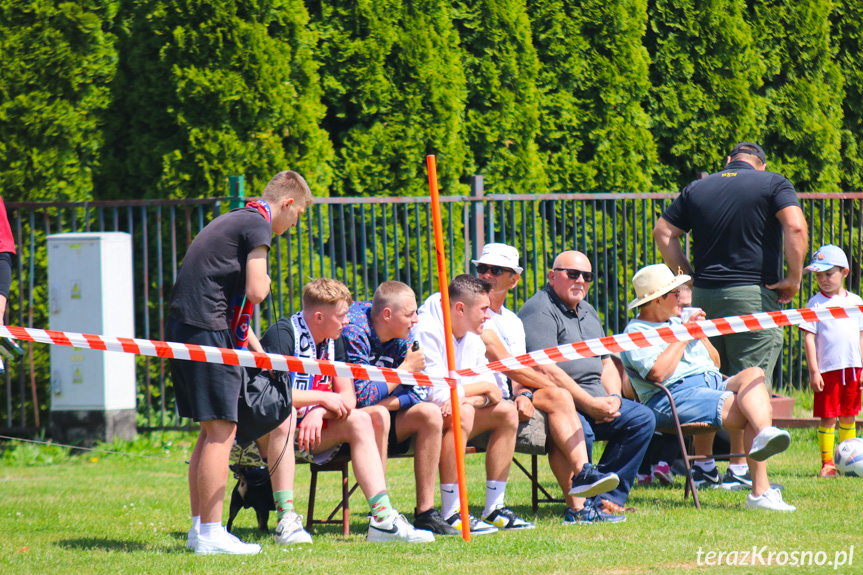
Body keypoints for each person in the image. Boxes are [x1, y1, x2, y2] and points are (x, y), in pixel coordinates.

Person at [167, 170, 311, 555]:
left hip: (185, 325)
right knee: (222, 431)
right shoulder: (257, 225)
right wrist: (265, 275)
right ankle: (213, 533)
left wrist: (255, 348)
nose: (293, 225)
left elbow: (223, 291)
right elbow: (255, 290)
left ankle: (201, 530)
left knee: (209, 430)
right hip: (205, 328)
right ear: (286, 204)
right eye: (296, 216)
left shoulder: (234, 217)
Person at [653, 141, 808, 491]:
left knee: (708, 379)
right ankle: (739, 471)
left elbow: (663, 232)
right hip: (752, 296)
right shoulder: (772, 183)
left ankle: (704, 467)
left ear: (728, 160)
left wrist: (687, 278)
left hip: (704, 297)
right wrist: (794, 280)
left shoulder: (698, 188)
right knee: (750, 383)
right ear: (760, 164)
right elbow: (795, 227)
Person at [248, 278, 434, 544]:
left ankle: (382, 520)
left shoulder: (337, 341)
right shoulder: (283, 335)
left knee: (360, 420)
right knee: (286, 414)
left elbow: (348, 398)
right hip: (264, 434)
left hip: (313, 429)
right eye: (342, 316)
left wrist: (319, 411)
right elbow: (273, 397)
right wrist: (324, 398)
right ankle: (286, 520)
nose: (348, 322)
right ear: (319, 316)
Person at [621, 264, 795, 511]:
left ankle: (763, 436)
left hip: (711, 383)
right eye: (674, 293)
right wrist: (683, 334)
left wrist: (699, 333)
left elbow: (715, 363)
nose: (680, 298)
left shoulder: (676, 322)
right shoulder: (636, 331)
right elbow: (657, 373)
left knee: (755, 374)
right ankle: (760, 490)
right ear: (657, 300)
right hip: (673, 396)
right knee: (752, 412)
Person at [472, 243, 621, 525]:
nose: (487, 275)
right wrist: (548, 389)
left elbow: (518, 372)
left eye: (497, 270)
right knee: (561, 401)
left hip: (507, 397)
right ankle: (582, 490)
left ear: (513, 280)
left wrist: (525, 392)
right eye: (482, 268)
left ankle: (583, 494)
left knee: (635, 418)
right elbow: (502, 358)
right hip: (473, 398)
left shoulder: (513, 322)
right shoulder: (469, 309)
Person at [518, 250, 655, 516]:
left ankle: (606, 499)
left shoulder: (589, 311)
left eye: (587, 276)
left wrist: (614, 396)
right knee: (585, 432)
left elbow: (606, 362)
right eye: (572, 274)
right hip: (563, 404)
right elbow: (545, 369)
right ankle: (584, 505)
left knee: (641, 418)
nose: (580, 280)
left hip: (596, 400)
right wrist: (589, 404)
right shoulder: (539, 309)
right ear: (552, 276)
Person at [414, 274, 534, 534]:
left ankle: (494, 508)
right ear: (459, 309)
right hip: (418, 416)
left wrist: (468, 395)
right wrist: (477, 392)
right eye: (483, 309)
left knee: (506, 412)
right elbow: (435, 395)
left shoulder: (473, 333)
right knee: (464, 413)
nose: (488, 317)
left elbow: (495, 392)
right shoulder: (426, 329)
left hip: (456, 408)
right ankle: (451, 511)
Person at [341, 281, 457, 535]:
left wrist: (384, 398)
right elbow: (360, 397)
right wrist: (403, 371)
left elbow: (419, 391)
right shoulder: (354, 331)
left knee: (429, 412)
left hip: (389, 417)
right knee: (378, 413)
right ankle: (381, 517)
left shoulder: (406, 335)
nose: (416, 320)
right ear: (387, 314)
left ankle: (425, 513)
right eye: (409, 314)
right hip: (350, 425)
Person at [799, 245, 863, 477]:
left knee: (849, 415)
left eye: (829, 274)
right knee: (828, 417)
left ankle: (851, 461)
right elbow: (809, 337)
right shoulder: (814, 304)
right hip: (827, 370)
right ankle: (828, 464)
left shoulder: (856, 301)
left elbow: (861, 335)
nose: (823, 280)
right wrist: (814, 371)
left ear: (844, 272)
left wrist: (862, 367)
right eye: (818, 275)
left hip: (853, 370)